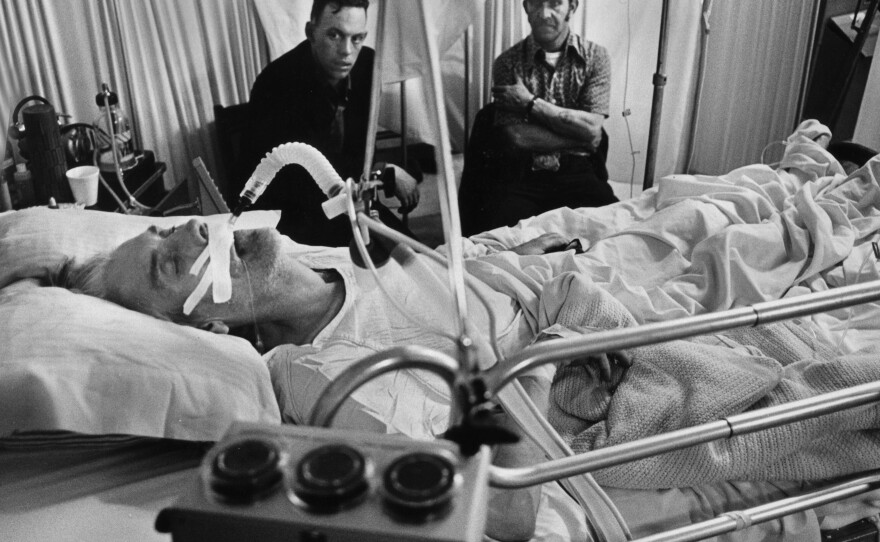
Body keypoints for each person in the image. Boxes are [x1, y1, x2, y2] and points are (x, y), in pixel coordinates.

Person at [244, 0, 421, 247]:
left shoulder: (369, 67)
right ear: (310, 33)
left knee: (424, 267)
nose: (346, 51)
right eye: (334, 35)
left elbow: (358, 155)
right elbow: (293, 184)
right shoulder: (275, 84)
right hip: (299, 222)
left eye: (357, 38)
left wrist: (381, 170)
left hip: (352, 207)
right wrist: (382, 172)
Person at [462, 0, 617, 234]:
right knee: (499, 240)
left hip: (576, 171)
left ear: (572, 7)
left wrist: (529, 103)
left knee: (612, 230)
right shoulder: (508, 62)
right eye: (536, 3)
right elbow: (518, 136)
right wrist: (580, 137)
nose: (544, 13)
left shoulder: (595, 57)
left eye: (555, 3)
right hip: (522, 174)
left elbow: (592, 128)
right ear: (526, 7)